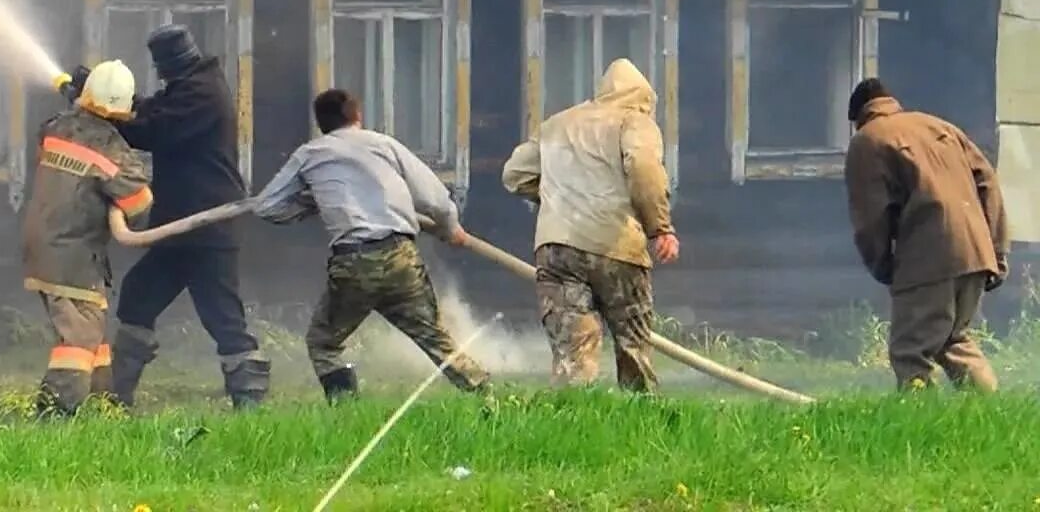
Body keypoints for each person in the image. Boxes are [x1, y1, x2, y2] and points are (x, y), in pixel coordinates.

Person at [253, 88, 491, 401]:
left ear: (320, 124)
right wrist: (451, 229)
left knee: (324, 343)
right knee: (435, 339)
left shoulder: (310, 154)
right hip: (401, 258)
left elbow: (266, 206)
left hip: (353, 264)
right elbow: (436, 199)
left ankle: (348, 411)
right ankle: (487, 397)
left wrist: (311, 204)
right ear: (357, 116)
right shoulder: (385, 145)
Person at [98, 25, 270, 408]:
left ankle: (250, 402)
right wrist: (99, 95)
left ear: (168, 65)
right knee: (139, 295)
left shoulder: (202, 94)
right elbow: (150, 109)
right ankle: (116, 399)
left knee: (223, 317)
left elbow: (153, 129)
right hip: (181, 227)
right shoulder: (190, 87)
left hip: (206, 225)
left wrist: (107, 114)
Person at [503, 58, 678, 392]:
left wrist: (560, 197)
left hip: (557, 250)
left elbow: (515, 174)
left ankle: (572, 420)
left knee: (573, 352)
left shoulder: (558, 124)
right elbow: (643, 169)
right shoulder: (635, 121)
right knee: (632, 345)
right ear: (643, 98)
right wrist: (660, 228)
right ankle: (642, 418)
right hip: (615, 245)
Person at [844, 77, 1009, 391]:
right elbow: (988, 183)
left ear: (858, 117)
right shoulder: (940, 127)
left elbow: (870, 215)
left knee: (911, 351)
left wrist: (883, 265)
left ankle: (915, 426)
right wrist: (996, 249)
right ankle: (989, 413)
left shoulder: (868, 140)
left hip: (929, 255)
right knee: (953, 339)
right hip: (976, 251)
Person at [21, 60, 154, 415]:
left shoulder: (54, 129)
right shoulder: (112, 149)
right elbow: (139, 206)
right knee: (79, 339)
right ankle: (55, 414)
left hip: (44, 244)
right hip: (73, 254)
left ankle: (103, 407)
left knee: (93, 332)